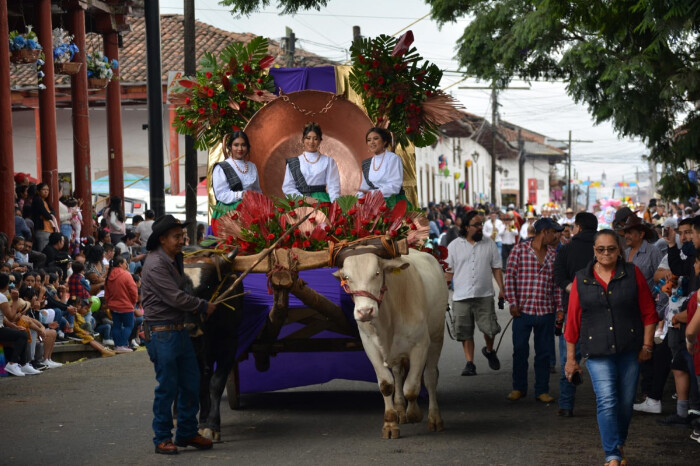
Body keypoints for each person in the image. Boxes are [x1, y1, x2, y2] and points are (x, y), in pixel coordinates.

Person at [564, 229, 657, 466]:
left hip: (629, 350)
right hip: (597, 353)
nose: (606, 253)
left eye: (611, 248)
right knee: (607, 400)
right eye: (600, 249)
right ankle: (612, 455)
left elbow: (648, 312)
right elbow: (573, 321)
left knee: (626, 403)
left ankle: (618, 442)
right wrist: (571, 359)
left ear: (620, 250)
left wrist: (647, 345)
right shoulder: (581, 278)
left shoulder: (632, 273)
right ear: (594, 251)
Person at [141, 215, 216, 455]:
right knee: (168, 388)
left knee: (191, 383)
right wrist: (203, 306)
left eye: (182, 236)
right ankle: (162, 437)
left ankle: (186, 431)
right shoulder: (156, 264)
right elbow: (176, 297)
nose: (182, 240)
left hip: (179, 329)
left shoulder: (175, 259)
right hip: (162, 332)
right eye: (177, 237)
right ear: (162, 239)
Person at [504, 217, 563, 402]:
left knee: (544, 352)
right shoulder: (519, 250)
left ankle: (542, 390)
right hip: (522, 311)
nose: (555, 236)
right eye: (553, 232)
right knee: (520, 350)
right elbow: (510, 277)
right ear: (544, 232)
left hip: (546, 311)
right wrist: (512, 303)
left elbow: (557, 286)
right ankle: (519, 387)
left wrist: (560, 309)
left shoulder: (554, 255)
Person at [445, 210, 504, 376]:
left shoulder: (489, 244)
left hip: (484, 294)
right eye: (476, 225)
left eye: (481, 224)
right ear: (466, 227)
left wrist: (502, 289)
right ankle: (469, 363)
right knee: (464, 332)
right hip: (461, 297)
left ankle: (489, 350)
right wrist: (443, 294)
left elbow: (496, 268)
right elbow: (448, 272)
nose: (480, 227)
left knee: (490, 329)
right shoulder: (454, 246)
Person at [553, 212, 598, 417]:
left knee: (569, 359)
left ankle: (566, 405)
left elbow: (558, 276)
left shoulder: (566, 249)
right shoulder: (603, 248)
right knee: (602, 360)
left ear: (578, 227)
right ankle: (605, 403)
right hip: (601, 312)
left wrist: (569, 286)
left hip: (573, 311)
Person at [211, 130, 262, 225]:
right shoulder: (221, 167)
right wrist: (241, 195)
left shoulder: (252, 166)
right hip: (229, 212)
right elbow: (221, 194)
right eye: (236, 145)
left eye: (243, 145)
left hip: (251, 211)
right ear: (230, 147)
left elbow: (257, 190)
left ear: (247, 147)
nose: (240, 148)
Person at [282, 122, 341, 203]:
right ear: (303, 139)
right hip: (300, 202)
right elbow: (288, 187)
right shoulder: (293, 162)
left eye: (315, 138)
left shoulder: (328, 161)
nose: (311, 142)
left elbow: (333, 187)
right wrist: (304, 199)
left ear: (320, 140)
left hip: (321, 201)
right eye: (308, 138)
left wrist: (335, 206)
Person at [357, 127, 407, 209]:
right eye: (369, 140)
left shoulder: (393, 158)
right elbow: (364, 187)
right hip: (374, 203)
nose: (372, 142)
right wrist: (357, 200)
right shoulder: (366, 163)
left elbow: (395, 187)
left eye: (375, 139)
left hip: (394, 203)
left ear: (384, 142)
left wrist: (371, 193)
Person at [104, 254, 138, 354]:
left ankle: (118, 345)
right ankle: (122, 344)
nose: (126, 265)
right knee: (129, 325)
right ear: (120, 264)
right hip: (126, 306)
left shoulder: (109, 275)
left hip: (113, 306)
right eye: (125, 263)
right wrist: (133, 302)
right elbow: (133, 291)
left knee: (116, 326)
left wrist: (109, 302)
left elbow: (107, 292)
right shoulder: (126, 275)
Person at [0, 273, 31, 377]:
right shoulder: (1, 297)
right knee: (23, 335)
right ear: (6, 285)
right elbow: (11, 317)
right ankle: (12, 363)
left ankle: (23, 364)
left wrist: (15, 327)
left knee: (20, 332)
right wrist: (15, 301)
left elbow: (3, 319)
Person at [31, 183, 57, 252]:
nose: (46, 191)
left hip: (49, 229)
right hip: (42, 230)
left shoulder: (45, 202)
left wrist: (49, 214)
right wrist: (49, 214)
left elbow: (54, 213)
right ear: (38, 191)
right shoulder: (37, 200)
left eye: (47, 190)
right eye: (43, 189)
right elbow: (47, 215)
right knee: (43, 252)